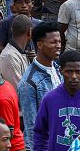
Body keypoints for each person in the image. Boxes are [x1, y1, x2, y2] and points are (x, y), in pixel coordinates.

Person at [19, 22, 63, 150]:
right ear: (40, 45)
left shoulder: (58, 70)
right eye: (53, 42)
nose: (58, 46)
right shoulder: (29, 83)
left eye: (59, 42)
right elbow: (31, 125)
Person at [0, 15, 32, 88]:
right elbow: (20, 91)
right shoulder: (9, 57)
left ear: (11, 30)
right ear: (29, 31)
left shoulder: (19, 53)